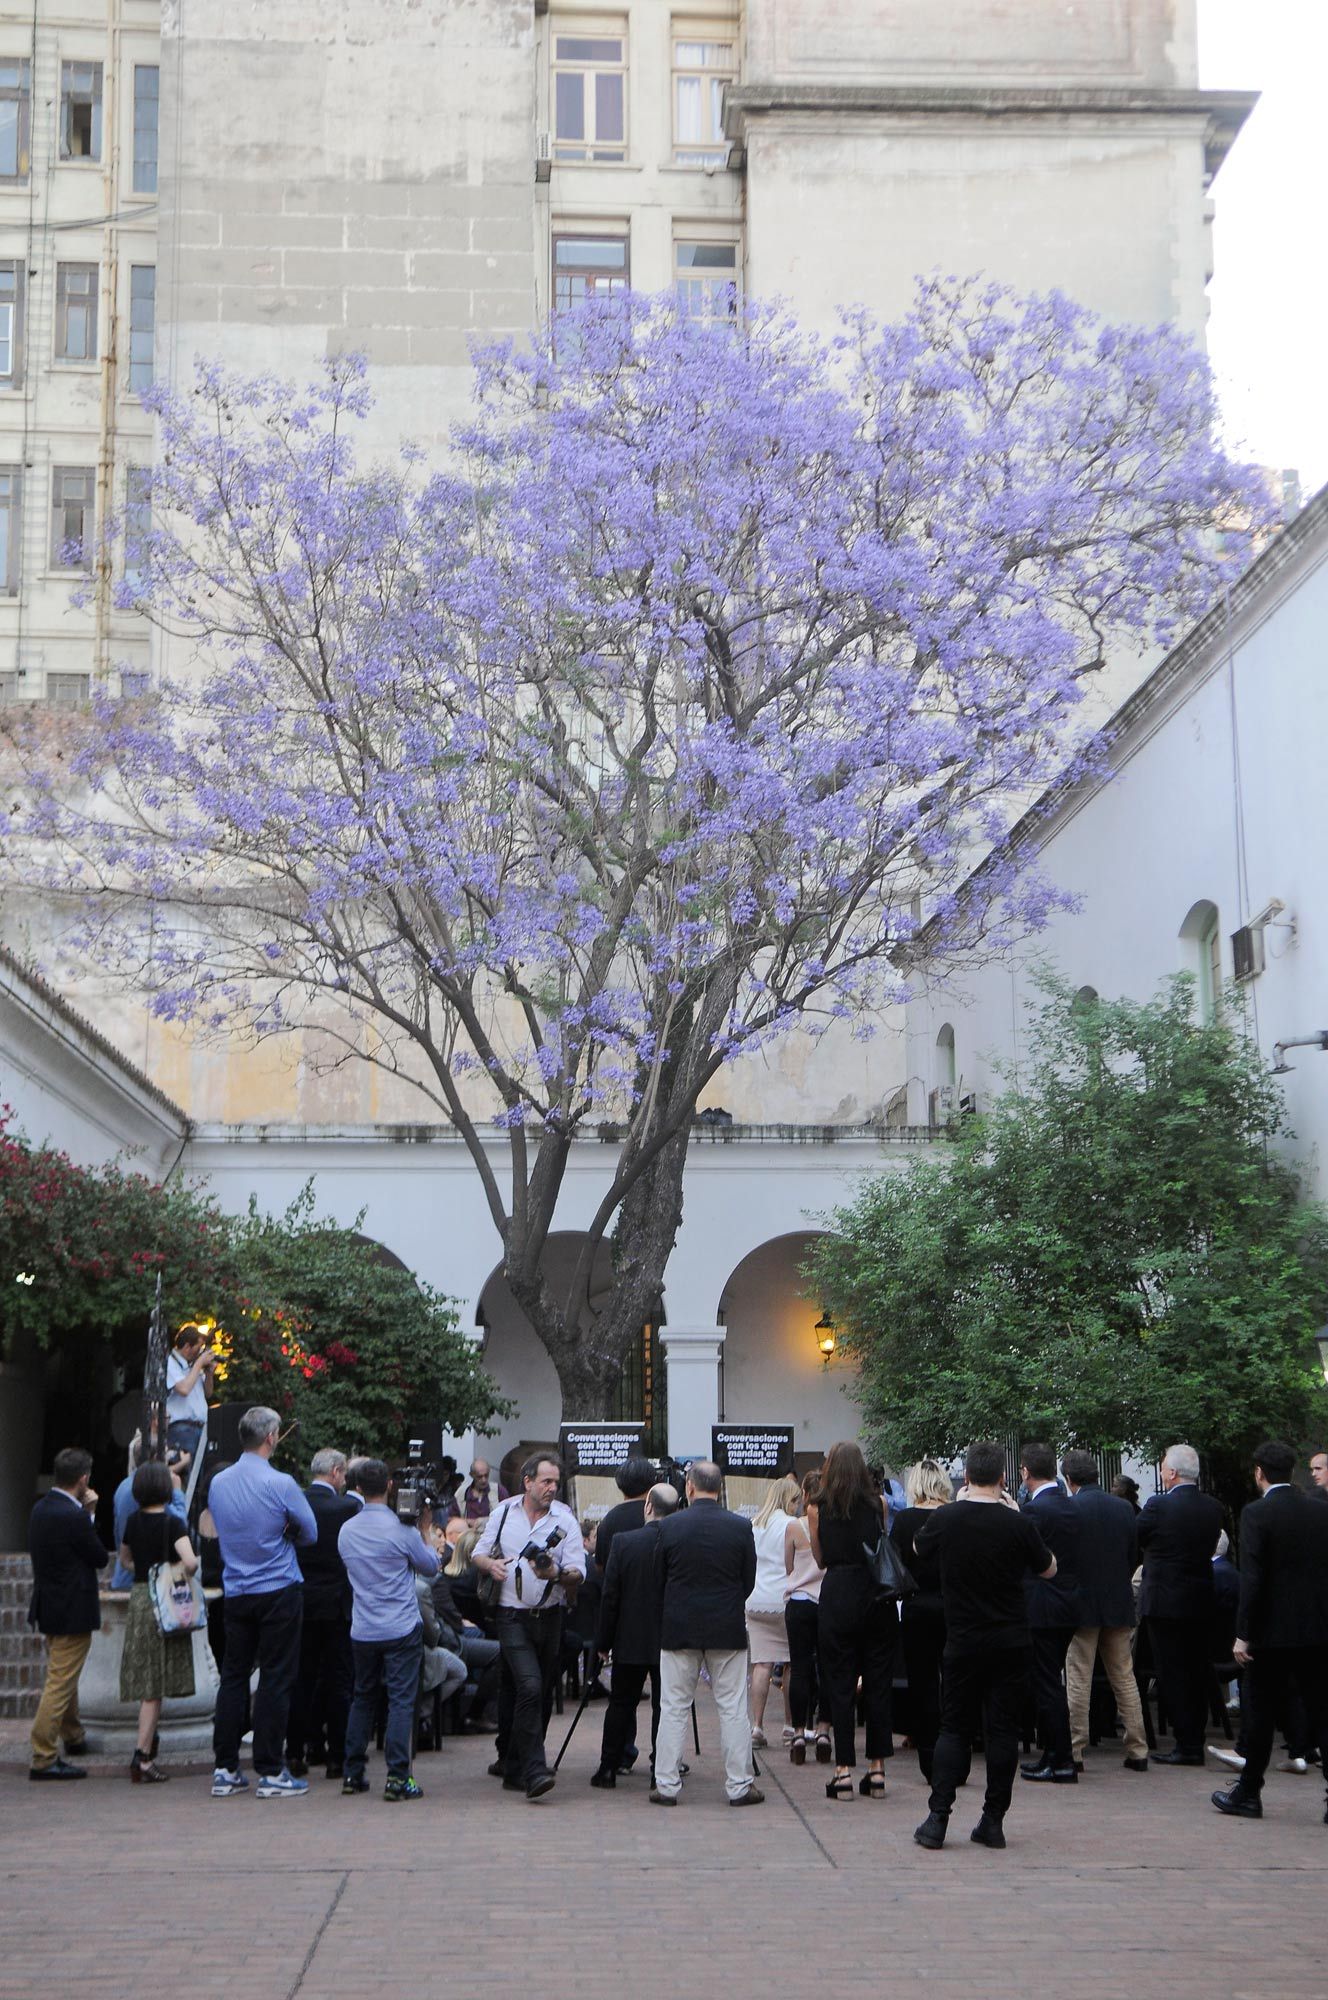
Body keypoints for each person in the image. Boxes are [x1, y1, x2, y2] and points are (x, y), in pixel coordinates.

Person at [912, 1440, 1057, 1852]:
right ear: (1004, 1479)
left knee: (953, 1727)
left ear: (967, 1477)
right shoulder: (1018, 1522)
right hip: (1011, 1640)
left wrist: (954, 1506)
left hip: (962, 1639)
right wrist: (1014, 1514)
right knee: (1002, 1731)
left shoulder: (948, 1517)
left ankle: (938, 1818)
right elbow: (1049, 1568)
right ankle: (992, 1821)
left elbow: (919, 1547)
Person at [1212, 1440, 1328, 1822]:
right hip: (1316, 1629)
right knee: (1321, 1709)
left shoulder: (1257, 1514)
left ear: (1259, 1473)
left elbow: (1254, 1578)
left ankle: (1249, 1791)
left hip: (1270, 1633)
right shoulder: (1320, 1511)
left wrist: (1243, 1633)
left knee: (1260, 1714)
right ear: (1293, 1471)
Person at [206, 1404, 318, 1799]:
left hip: (236, 1588)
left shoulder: (219, 1482)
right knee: (275, 1678)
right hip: (277, 1587)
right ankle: (270, 1770)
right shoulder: (281, 1483)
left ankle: (225, 1767)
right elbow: (310, 1533)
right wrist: (286, 1534)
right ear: (271, 1437)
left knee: (233, 1676)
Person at [473, 1452, 586, 1800]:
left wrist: (554, 1573)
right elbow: (478, 1553)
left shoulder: (565, 1520)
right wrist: (491, 1566)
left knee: (523, 1689)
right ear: (528, 1482)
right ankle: (534, 1769)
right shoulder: (504, 1512)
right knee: (531, 1686)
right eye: (546, 1481)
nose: (552, 1488)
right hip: (510, 1615)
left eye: (556, 1482)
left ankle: (511, 1763)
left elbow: (578, 1573)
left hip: (550, 1616)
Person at [652, 1459, 761, 1807]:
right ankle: (740, 1785)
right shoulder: (740, 1527)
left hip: (679, 1626)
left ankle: (666, 1784)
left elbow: (659, 1579)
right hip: (725, 1626)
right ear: (721, 1487)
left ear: (689, 1487)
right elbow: (748, 1580)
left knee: (673, 1707)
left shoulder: (669, 1527)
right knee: (732, 1708)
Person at [335, 1458, 440, 1801]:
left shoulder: (347, 1530)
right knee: (400, 1701)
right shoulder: (402, 1530)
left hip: (363, 1627)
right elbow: (430, 1568)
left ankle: (352, 1772)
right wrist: (425, 1531)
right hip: (399, 1626)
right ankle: (397, 1777)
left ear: (358, 1489)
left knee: (362, 1697)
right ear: (390, 1487)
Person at [808, 1439, 895, 1800]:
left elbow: (820, 1560)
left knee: (839, 1682)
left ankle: (843, 1770)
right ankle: (877, 1769)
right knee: (878, 1683)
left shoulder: (817, 1508)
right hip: (875, 1595)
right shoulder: (879, 1505)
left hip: (839, 1592)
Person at [1060, 1448, 1149, 1774]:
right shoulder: (1124, 1508)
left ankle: (1075, 1749)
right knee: (1123, 1675)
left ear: (1069, 1479)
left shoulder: (1070, 1507)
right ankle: (1138, 1747)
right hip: (1117, 1599)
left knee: (1079, 1676)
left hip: (1082, 1603)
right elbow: (1131, 1554)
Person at [1137, 1443, 1224, 1767]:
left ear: (1172, 1473)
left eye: (1162, 1467)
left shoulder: (1158, 1506)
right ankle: (1194, 1740)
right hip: (1200, 1599)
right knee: (1198, 1670)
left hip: (1164, 1601)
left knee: (1172, 1673)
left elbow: (1139, 1536)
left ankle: (1185, 1744)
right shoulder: (1213, 1507)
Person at [27, 1447, 109, 1782]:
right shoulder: (75, 1516)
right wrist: (90, 1513)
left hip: (49, 1603)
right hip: (73, 1607)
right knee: (60, 1682)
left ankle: (73, 1735)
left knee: (64, 1675)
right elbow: (99, 1557)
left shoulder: (40, 1509)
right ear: (83, 1479)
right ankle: (43, 1754)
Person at [592, 1480, 679, 1787]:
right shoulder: (680, 1543)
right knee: (665, 1706)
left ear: (647, 1506)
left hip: (629, 1636)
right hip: (670, 1637)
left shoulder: (624, 1543)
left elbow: (610, 1596)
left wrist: (603, 1640)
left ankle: (608, 1767)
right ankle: (662, 1770)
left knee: (621, 1703)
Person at [117, 1460, 198, 1784]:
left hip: (139, 1598)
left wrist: (145, 1566)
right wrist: (174, 1569)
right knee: (154, 1685)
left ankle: (149, 1747)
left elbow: (124, 1558)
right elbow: (190, 1562)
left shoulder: (133, 1521)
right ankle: (142, 1755)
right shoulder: (173, 1523)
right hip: (163, 1602)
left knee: (148, 1679)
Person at [287, 1447, 359, 1780]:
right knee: (338, 1681)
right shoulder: (347, 1507)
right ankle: (337, 1757)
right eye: (343, 1474)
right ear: (335, 1472)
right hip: (337, 1604)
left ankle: (296, 1752)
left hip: (301, 1601)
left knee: (301, 1679)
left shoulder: (295, 1502)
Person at [1018, 1440, 1084, 1785]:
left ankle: (1060, 1760)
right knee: (1051, 1680)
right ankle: (1055, 1756)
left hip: (1042, 1606)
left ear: (1026, 1472)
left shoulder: (1033, 1511)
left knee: (1047, 1685)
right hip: (1069, 1603)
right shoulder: (1072, 1506)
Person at [890, 1458, 953, 1780]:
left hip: (917, 1606)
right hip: (954, 1607)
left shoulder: (904, 1521)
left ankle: (930, 1756)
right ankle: (957, 1752)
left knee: (923, 1683)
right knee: (955, 1682)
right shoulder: (955, 1517)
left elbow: (894, 1566)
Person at [745, 1472, 800, 1746]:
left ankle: (757, 1726)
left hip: (755, 1600)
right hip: (783, 1600)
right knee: (790, 1663)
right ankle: (790, 1725)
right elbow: (793, 1565)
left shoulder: (754, 1524)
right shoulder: (793, 1525)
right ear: (789, 1499)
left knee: (761, 1663)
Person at [783, 1470, 830, 1765]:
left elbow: (787, 1565)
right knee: (828, 1668)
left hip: (799, 1600)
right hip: (827, 1600)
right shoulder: (832, 1523)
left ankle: (799, 1732)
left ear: (804, 1494)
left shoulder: (794, 1527)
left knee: (799, 1668)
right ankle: (824, 1730)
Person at [111, 1434, 187, 1590]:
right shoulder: (150, 1490)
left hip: (126, 1575)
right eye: (165, 1457)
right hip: (141, 1581)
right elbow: (180, 1524)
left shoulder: (125, 1485)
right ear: (155, 1458)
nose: (168, 1462)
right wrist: (177, 1492)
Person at [594, 1456, 656, 1576]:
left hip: (618, 1591)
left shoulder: (608, 1521)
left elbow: (599, 1566)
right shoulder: (658, 1513)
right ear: (652, 1481)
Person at [166, 1322, 217, 1459]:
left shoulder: (192, 1366)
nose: (199, 1352)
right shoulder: (170, 1363)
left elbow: (208, 1393)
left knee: (201, 1475)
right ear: (187, 1347)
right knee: (189, 1474)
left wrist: (209, 1374)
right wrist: (199, 1363)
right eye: (198, 1348)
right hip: (182, 1429)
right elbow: (184, 1389)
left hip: (201, 1427)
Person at [463, 1458, 509, 1523]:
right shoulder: (462, 1493)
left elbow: (509, 1515)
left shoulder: (499, 1491)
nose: (484, 1480)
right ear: (471, 1475)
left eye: (486, 1475)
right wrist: (469, 1522)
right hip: (469, 1531)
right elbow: (451, 1518)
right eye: (479, 1477)